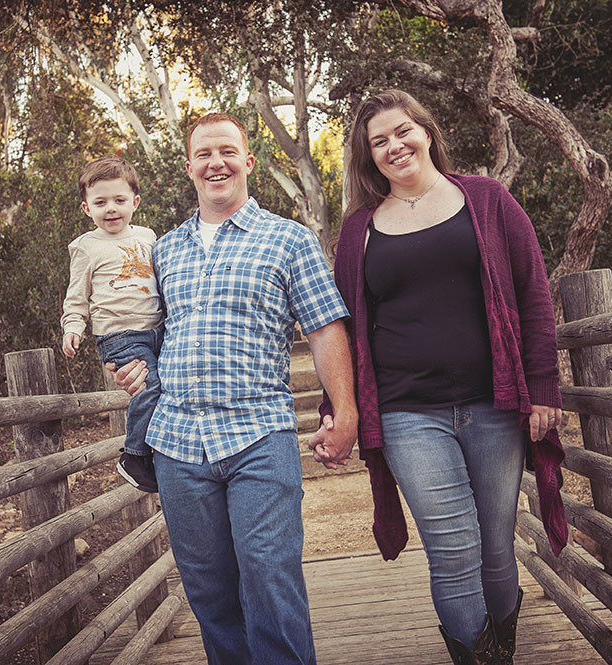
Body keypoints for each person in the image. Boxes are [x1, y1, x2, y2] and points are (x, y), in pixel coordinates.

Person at [311, 89, 568, 665]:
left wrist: (543, 387)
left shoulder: (486, 198)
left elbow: (532, 293)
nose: (394, 146)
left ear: (426, 131)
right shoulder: (359, 231)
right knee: (453, 550)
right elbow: (345, 328)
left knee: (497, 548)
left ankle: (500, 648)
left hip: (493, 405)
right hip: (407, 413)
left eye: (403, 131)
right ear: (368, 156)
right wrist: (337, 408)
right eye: (379, 141)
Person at [111, 112, 358, 665]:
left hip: (258, 437)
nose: (215, 162)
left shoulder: (288, 240)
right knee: (209, 591)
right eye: (203, 154)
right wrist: (129, 364)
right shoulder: (163, 250)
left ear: (247, 162)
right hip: (176, 442)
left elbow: (325, 328)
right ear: (189, 168)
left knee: (270, 577)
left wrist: (346, 413)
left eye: (226, 151)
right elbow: (145, 330)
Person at [61, 156, 163, 492]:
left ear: (134, 202)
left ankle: (161, 452)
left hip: (157, 329)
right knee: (150, 387)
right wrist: (73, 326)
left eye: (119, 200)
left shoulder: (148, 237)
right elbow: (77, 295)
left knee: (171, 385)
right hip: (119, 335)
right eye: (100, 202)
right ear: (86, 208)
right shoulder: (86, 247)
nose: (111, 209)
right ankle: (134, 455)